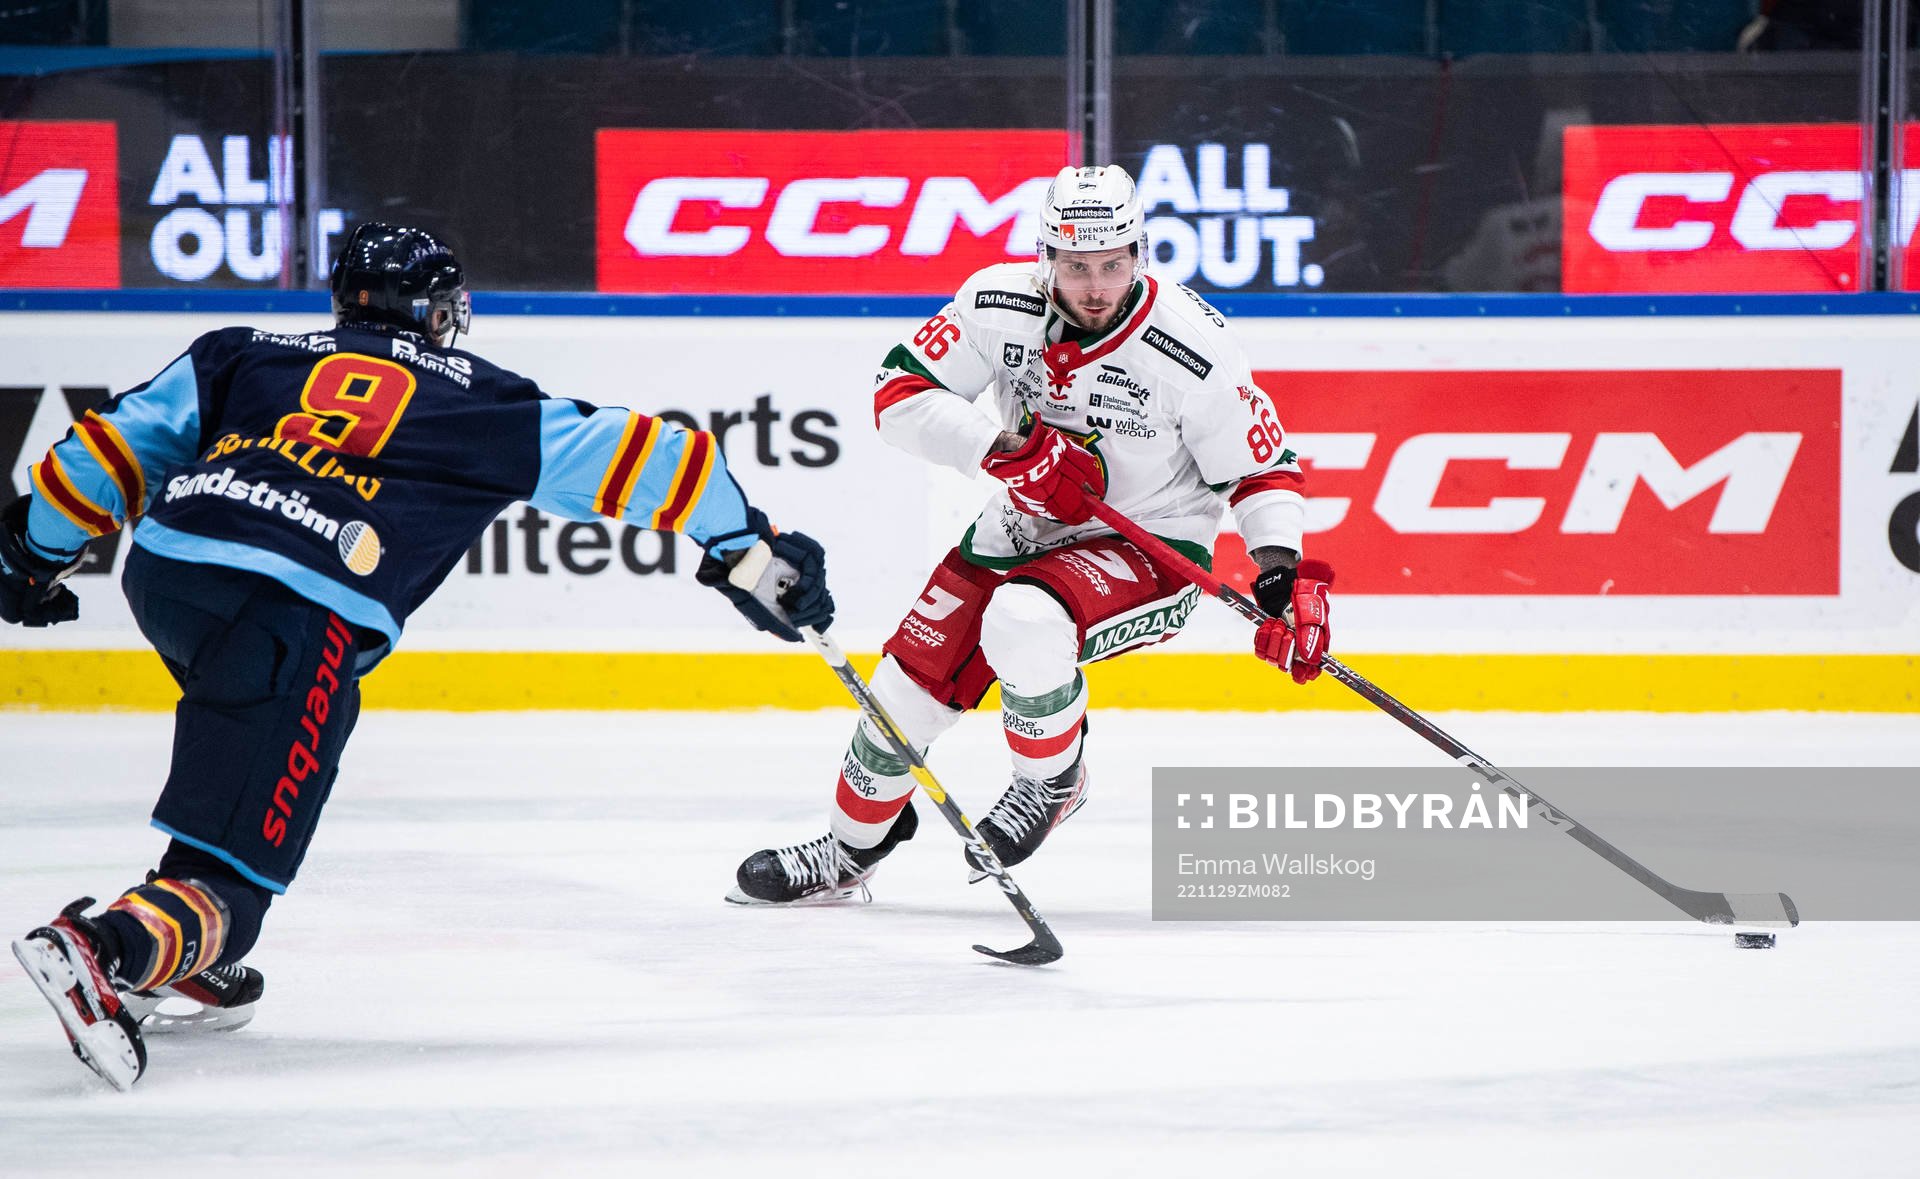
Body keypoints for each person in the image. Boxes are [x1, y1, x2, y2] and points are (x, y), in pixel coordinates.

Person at [2, 223, 835, 1090]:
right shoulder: (479, 401)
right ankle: (112, 948)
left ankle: (182, 944)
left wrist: (29, 551)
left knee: (237, 735)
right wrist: (751, 551)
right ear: (441, 314)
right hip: (297, 608)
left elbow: (109, 448)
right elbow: (665, 459)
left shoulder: (242, 353)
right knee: (237, 883)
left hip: (171, 576)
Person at [729, 164, 1331, 906]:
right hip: (1020, 526)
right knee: (899, 698)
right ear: (1046, 255)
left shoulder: (1193, 348)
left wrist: (1281, 575)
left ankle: (1051, 782)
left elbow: (1262, 470)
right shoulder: (994, 301)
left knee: (1024, 619)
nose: (1097, 285)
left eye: (1113, 264)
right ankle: (849, 855)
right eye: (1076, 266)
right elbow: (898, 396)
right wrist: (999, 451)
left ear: (1139, 254)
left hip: (1148, 547)